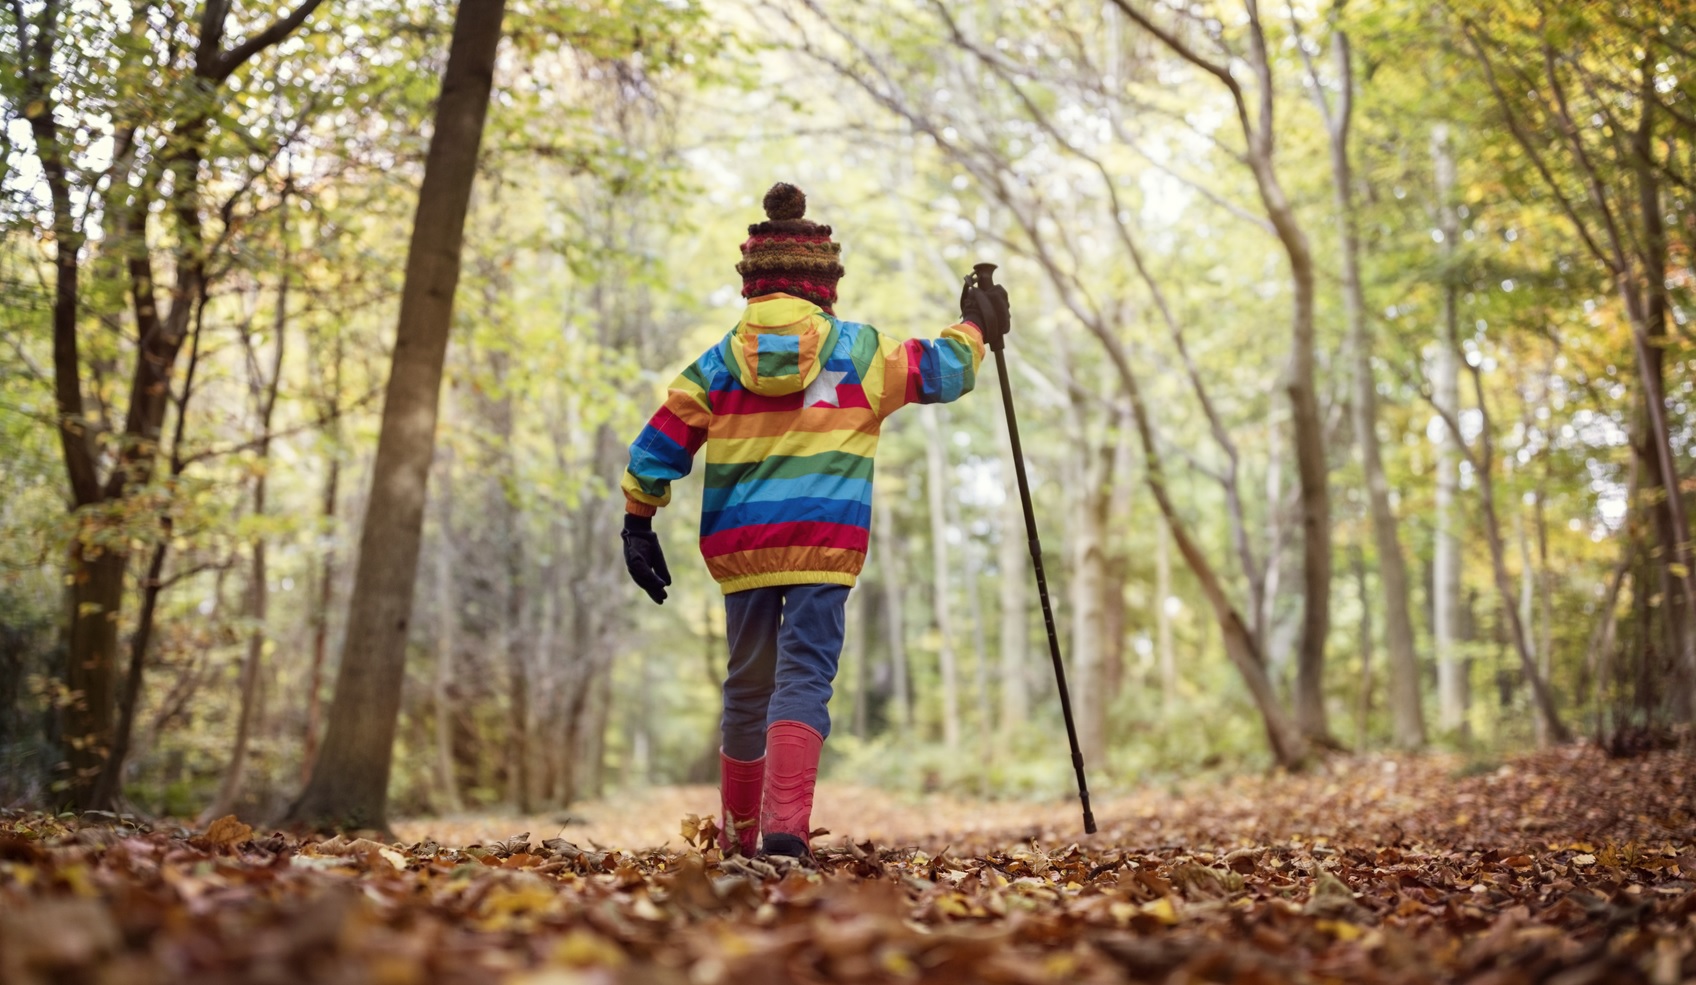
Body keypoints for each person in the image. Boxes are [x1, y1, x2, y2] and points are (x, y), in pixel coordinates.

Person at [619, 181, 1008, 860]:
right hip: (825, 543)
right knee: (803, 675)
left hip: (742, 547)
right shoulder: (858, 354)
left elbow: (660, 441)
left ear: (753, 284)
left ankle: (739, 840)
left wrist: (638, 519)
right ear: (824, 283)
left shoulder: (716, 365)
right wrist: (977, 326)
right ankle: (786, 834)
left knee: (747, 683)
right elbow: (943, 371)